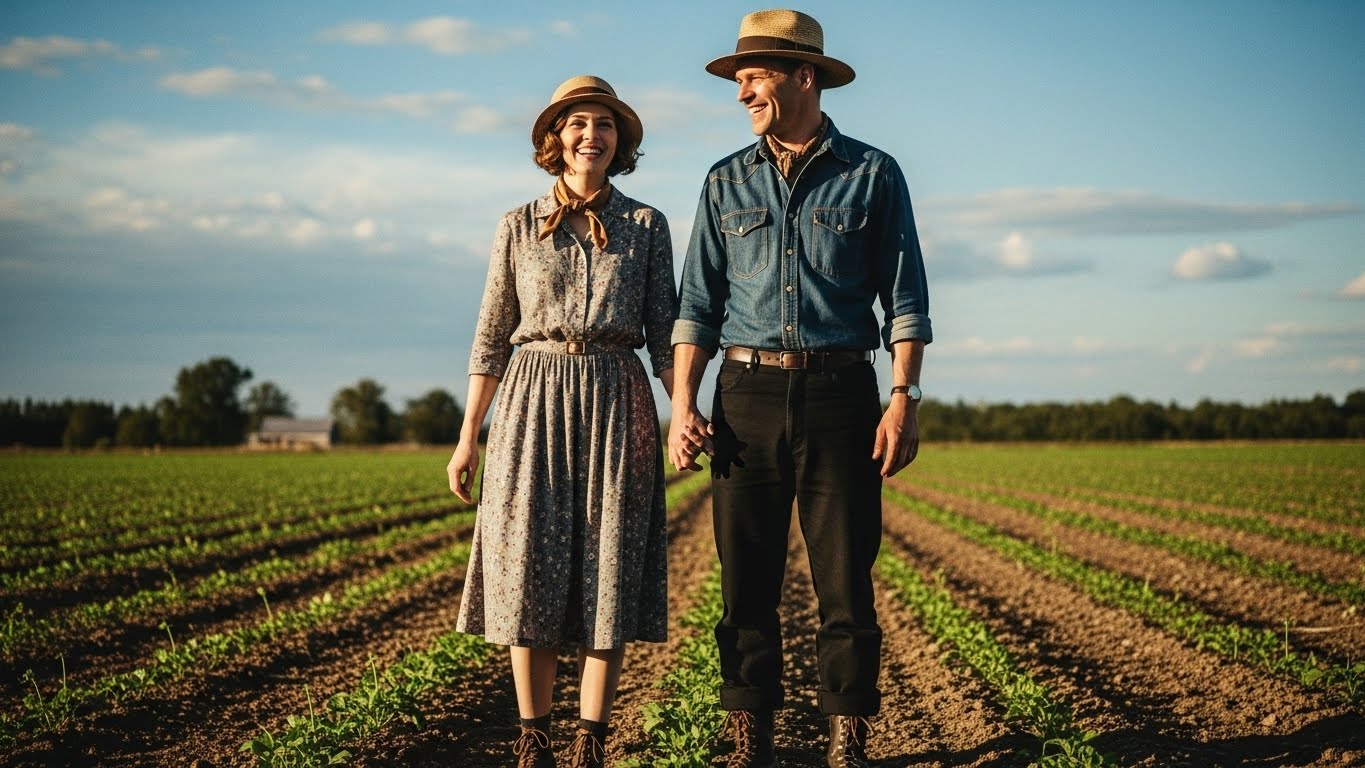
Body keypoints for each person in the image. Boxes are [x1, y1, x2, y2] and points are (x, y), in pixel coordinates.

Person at [668, 10, 933, 768]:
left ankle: (846, 735)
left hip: (841, 394)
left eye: (753, 76)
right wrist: (682, 404)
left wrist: (903, 399)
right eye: (740, 78)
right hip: (742, 398)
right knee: (744, 581)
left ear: (802, 76)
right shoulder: (724, 180)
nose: (741, 90)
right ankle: (751, 736)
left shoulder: (873, 173)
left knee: (845, 579)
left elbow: (904, 298)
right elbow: (697, 306)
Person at [448, 75, 677, 768]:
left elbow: (666, 336)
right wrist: (467, 439)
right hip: (531, 398)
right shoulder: (515, 225)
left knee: (609, 558)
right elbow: (491, 335)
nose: (591, 135)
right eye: (578, 123)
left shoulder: (646, 225)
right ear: (555, 139)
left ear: (619, 141)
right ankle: (534, 736)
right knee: (527, 563)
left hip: (616, 396)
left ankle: (590, 741)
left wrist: (687, 412)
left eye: (604, 125)